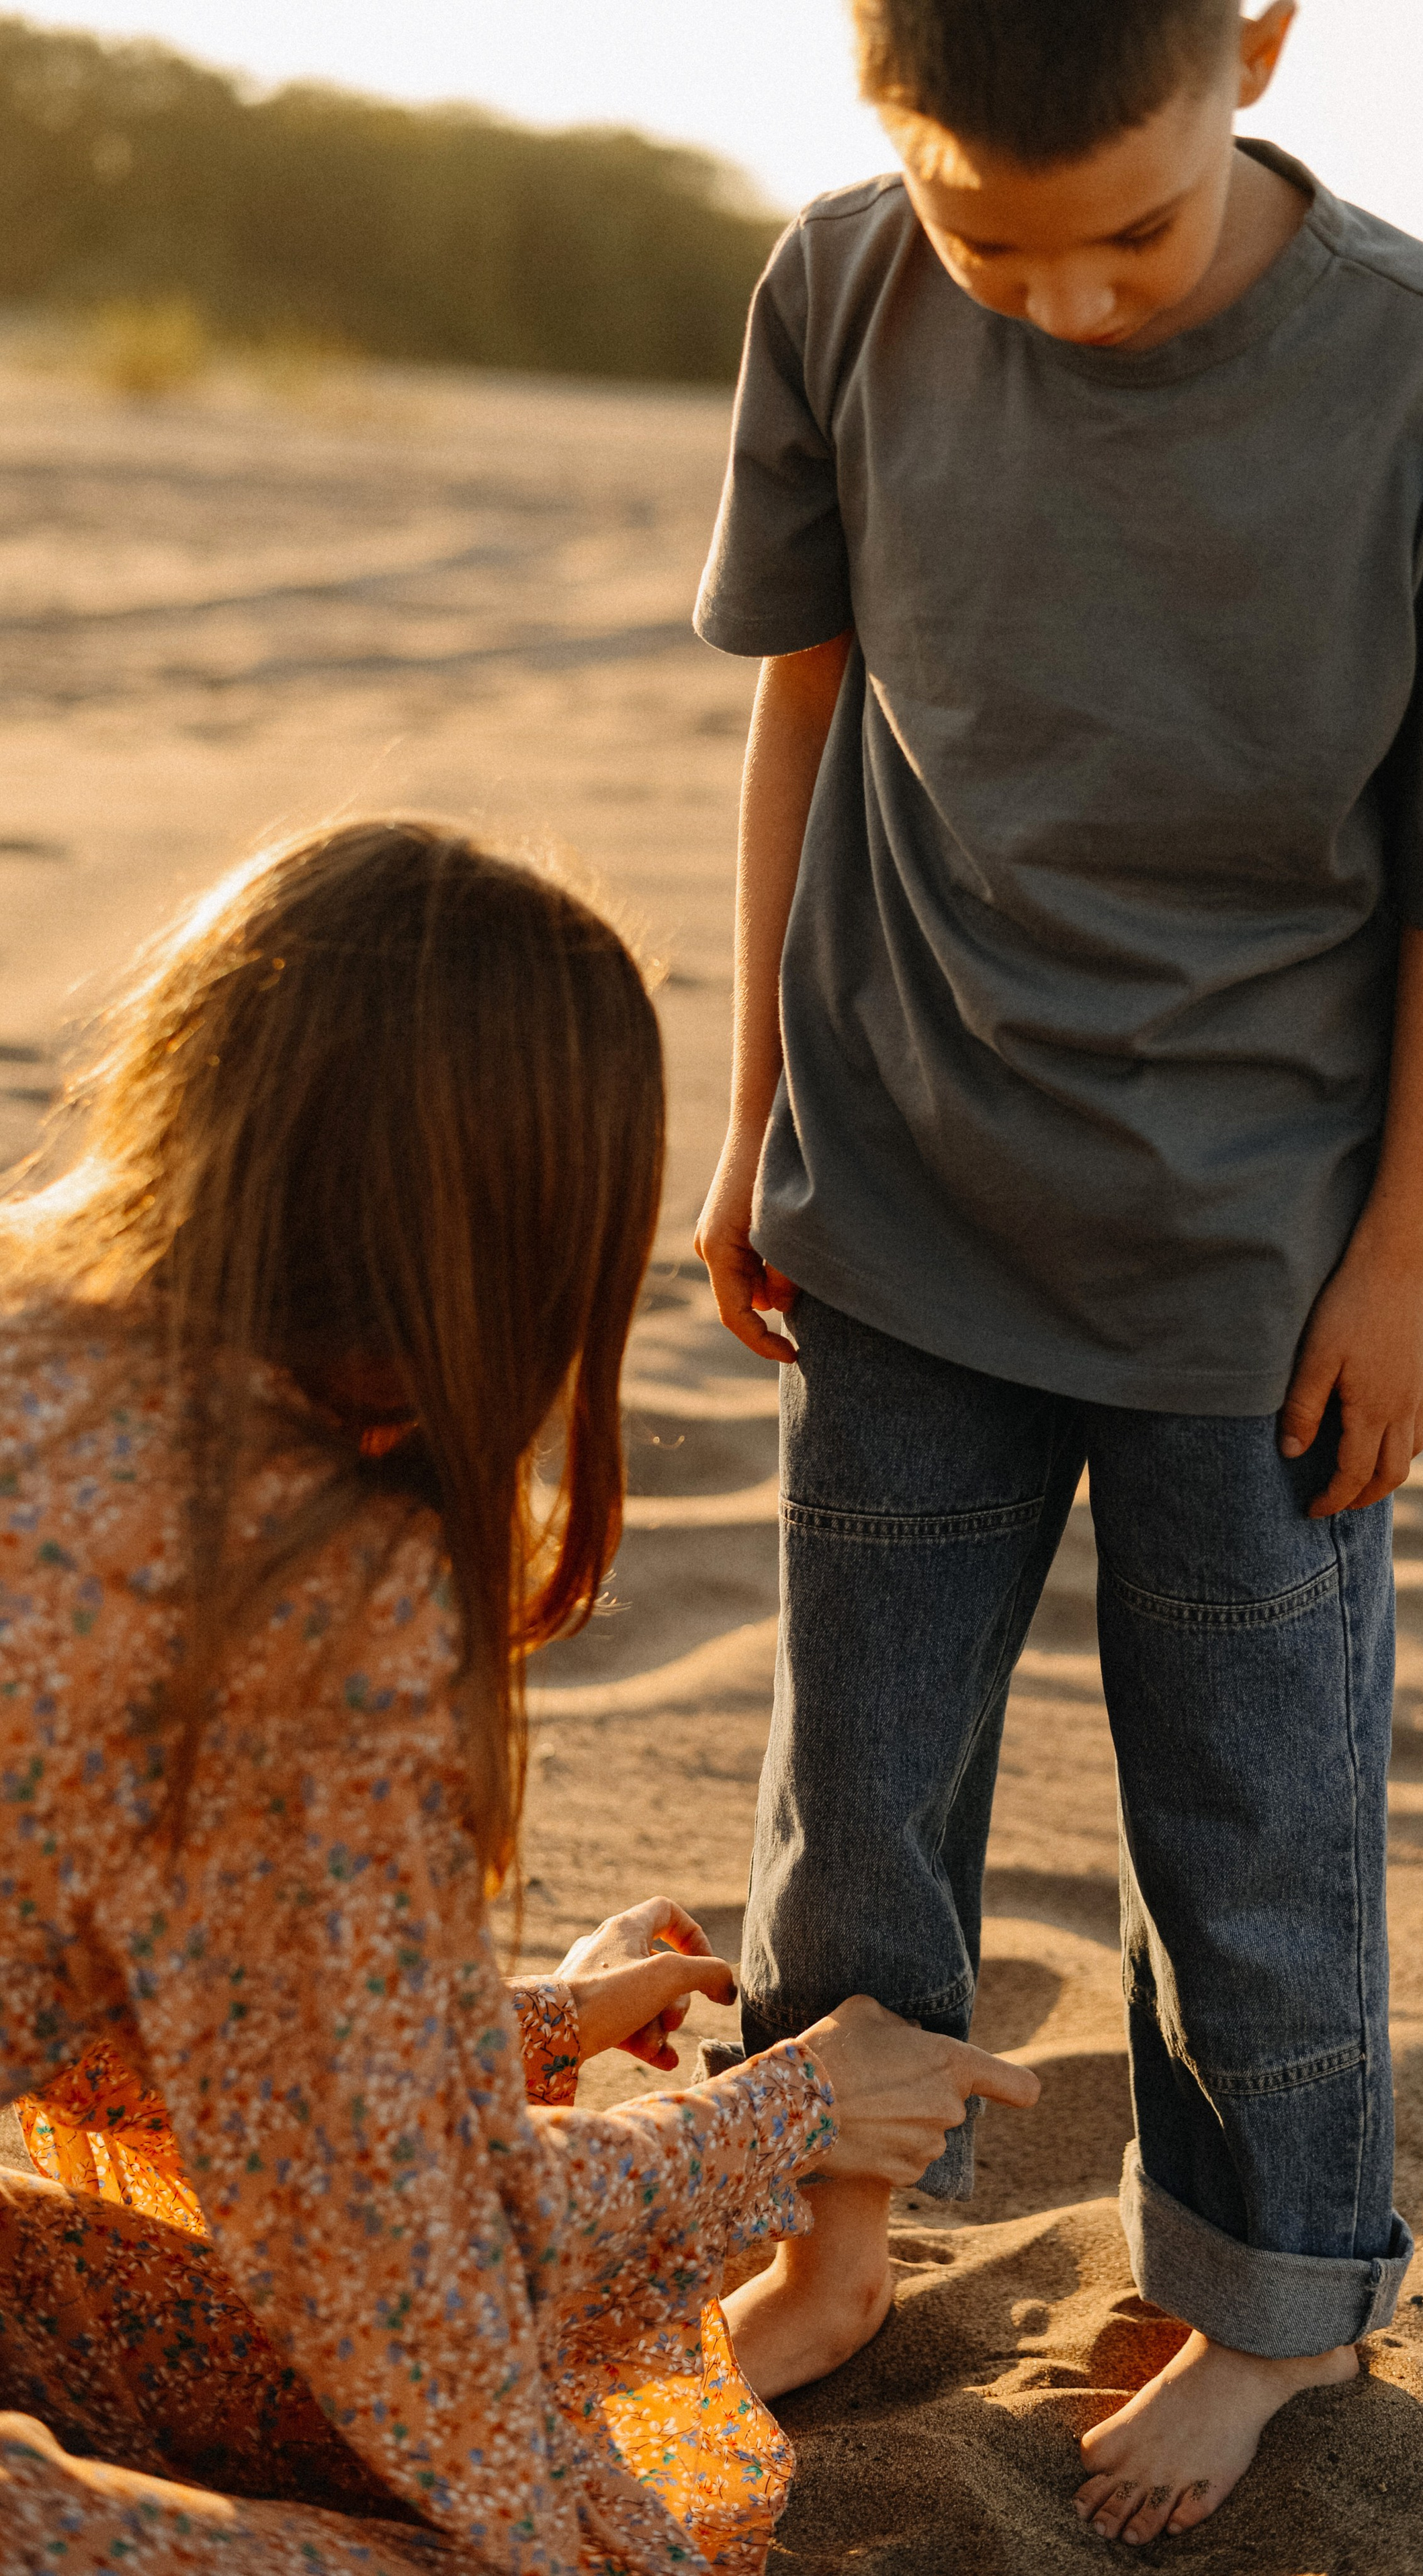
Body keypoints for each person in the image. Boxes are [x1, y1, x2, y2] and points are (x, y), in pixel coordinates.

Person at [691, 0, 1423, 2544]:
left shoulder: (1418, 369)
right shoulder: (841, 293)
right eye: (989, 237)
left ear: (1255, 40)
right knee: (855, 1783)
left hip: (1255, 1267)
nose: (1066, 298)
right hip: (895, 1207)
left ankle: (1265, 2297)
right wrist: (764, 1092)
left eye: (1127, 226)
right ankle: (830, 2220)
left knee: (1255, 1812)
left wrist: (1401, 1267)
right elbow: (811, 696)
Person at [0, 818, 1037, 2576]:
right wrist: (789, 2116)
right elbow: (423, 2259)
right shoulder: (294, 1578)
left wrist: (503, 2031)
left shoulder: (43, 1334)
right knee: (564, 2532)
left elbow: (125, 1997)